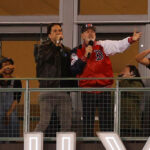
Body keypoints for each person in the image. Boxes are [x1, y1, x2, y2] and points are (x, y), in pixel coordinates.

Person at [71, 23, 142, 137]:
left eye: (92, 31)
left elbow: (119, 45)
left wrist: (131, 40)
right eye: (87, 31)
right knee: (88, 122)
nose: (90, 33)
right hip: (87, 92)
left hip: (104, 91)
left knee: (106, 122)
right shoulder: (76, 51)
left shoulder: (103, 45)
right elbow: (74, 69)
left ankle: (107, 145)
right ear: (82, 35)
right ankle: (88, 144)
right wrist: (85, 55)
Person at [34, 23, 73, 134]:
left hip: (63, 91)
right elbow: (43, 59)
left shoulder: (66, 50)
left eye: (60, 30)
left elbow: (70, 68)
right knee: (44, 122)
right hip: (47, 90)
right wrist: (56, 44)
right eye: (55, 31)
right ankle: (30, 144)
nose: (58, 33)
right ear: (49, 35)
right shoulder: (40, 48)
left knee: (66, 123)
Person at [118, 65, 144, 137]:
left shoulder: (137, 83)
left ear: (132, 73)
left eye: (125, 71)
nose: (122, 72)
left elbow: (128, 89)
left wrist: (124, 79)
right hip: (123, 118)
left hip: (133, 118)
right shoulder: (121, 82)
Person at [0, 57, 22, 137]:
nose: (8, 67)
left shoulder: (16, 81)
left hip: (11, 108)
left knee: (13, 119)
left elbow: (17, 99)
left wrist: (9, 113)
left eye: (9, 65)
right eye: (5, 65)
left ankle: (12, 143)